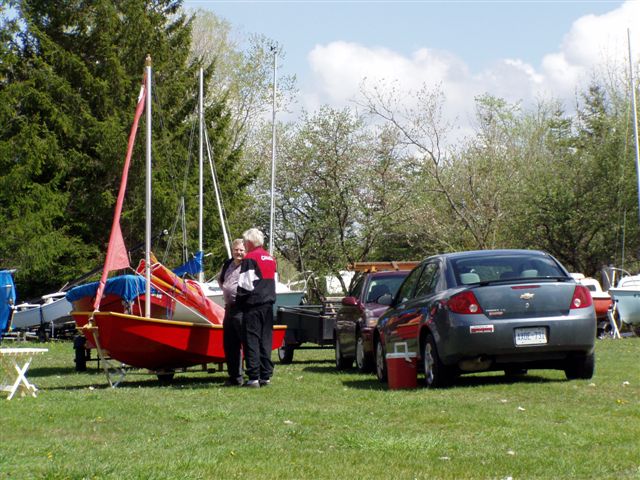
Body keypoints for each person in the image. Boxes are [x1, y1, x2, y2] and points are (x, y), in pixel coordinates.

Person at [236, 228, 277, 388]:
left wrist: (238, 303)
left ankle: (253, 376)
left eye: (245, 242)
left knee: (251, 339)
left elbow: (245, 284)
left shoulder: (250, 258)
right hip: (268, 304)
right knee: (265, 339)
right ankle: (265, 375)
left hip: (253, 304)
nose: (244, 245)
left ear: (250, 242)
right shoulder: (270, 258)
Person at [218, 238, 246, 386]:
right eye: (236, 250)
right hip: (229, 309)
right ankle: (234, 377)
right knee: (229, 343)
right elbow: (220, 280)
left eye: (241, 250)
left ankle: (254, 374)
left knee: (246, 342)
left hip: (242, 308)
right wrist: (226, 290)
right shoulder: (228, 263)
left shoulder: (247, 265)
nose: (239, 252)